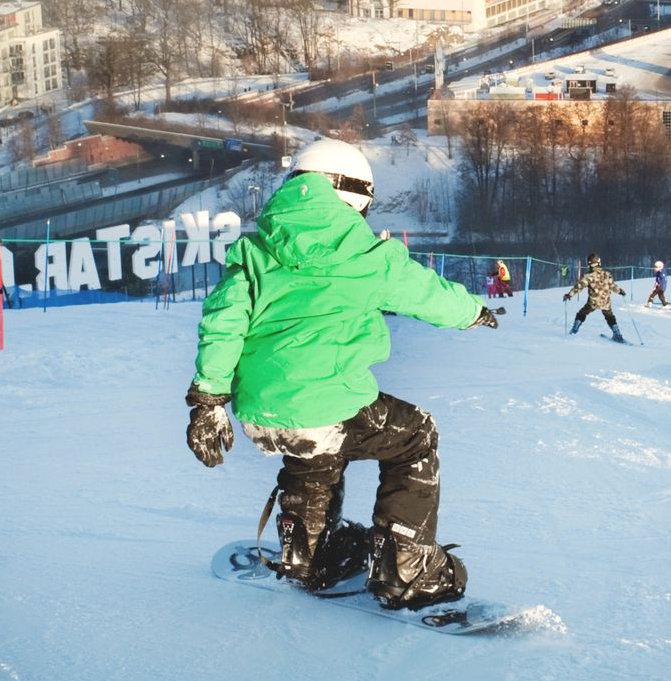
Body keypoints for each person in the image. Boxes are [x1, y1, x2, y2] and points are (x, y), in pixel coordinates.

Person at [183, 138, 499, 611]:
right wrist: (472, 311)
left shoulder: (253, 251)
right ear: (354, 196)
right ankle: (404, 570)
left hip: (263, 413)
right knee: (415, 436)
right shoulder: (364, 254)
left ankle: (308, 556)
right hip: (330, 406)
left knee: (312, 452)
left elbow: (222, 323)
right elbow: (425, 294)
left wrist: (208, 402)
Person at [565, 253, 627, 343]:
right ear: (599, 262)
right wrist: (620, 291)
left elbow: (579, 287)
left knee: (581, 314)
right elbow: (613, 286)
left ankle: (574, 331)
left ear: (589, 264)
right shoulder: (607, 274)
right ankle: (617, 334)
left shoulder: (589, 276)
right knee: (610, 317)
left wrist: (569, 295)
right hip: (606, 302)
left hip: (593, 303)